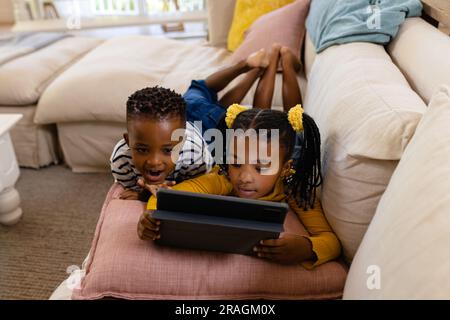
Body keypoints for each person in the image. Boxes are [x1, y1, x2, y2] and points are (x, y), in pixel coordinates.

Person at [137, 104, 341, 268]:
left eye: (260, 168)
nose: (244, 177)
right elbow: (165, 196)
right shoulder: (223, 178)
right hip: (202, 130)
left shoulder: (293, 188)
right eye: (236, 163)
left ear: (286, 169)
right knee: (196, 104)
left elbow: (331, 241)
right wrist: (151, 217)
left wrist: (307, 247)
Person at [110, 86, 214, 201]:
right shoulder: (121, 162)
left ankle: (237, 70)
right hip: (179, 125)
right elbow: (134, 190)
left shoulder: (196, 156)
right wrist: (145, 194)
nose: (154, 162)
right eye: (143, 150)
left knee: (202, 92)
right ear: (128, 141)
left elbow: (200, 188)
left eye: (167, 150)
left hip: (204, 124)